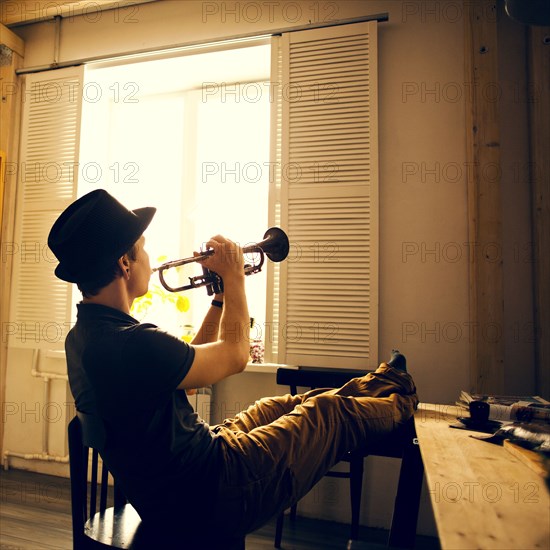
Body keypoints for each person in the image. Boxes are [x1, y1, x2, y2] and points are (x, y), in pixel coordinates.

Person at [48, 189, 418, 544]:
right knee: (328, 412)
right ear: (124, 263)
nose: (150, 258)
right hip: (212, 493)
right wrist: (236, 276)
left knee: (278, 406)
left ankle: (386, 380)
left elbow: (187, 378)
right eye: (142, 249)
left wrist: (221, 298)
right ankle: (405, 401)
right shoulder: (131, 342)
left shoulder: (86, 338)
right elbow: (237, 354)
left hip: (172, 491)